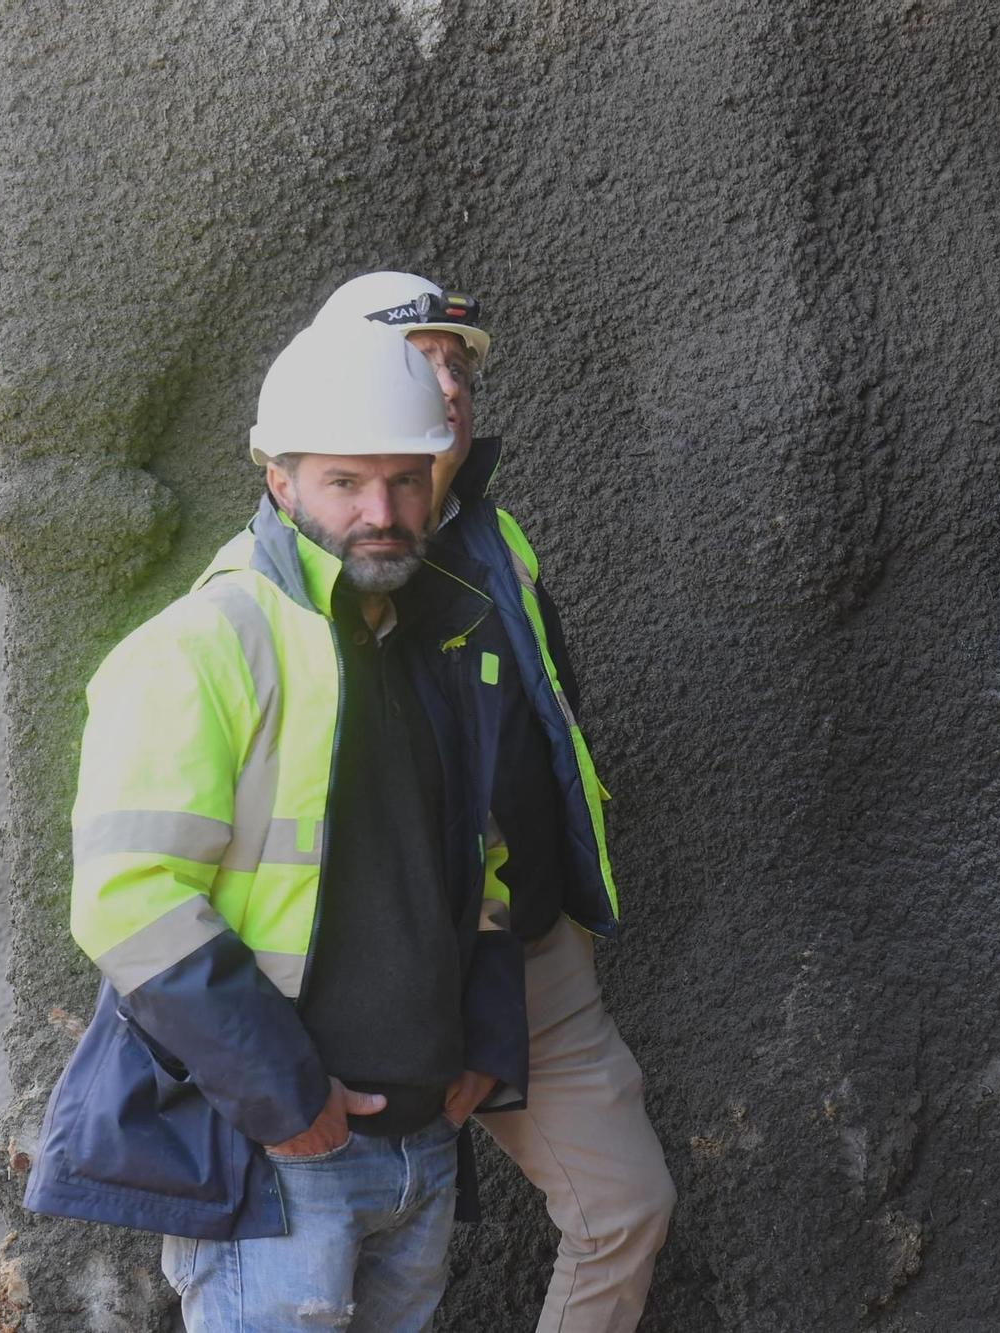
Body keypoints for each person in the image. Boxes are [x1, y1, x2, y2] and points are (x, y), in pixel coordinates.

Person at [23, 318, 531, 1331]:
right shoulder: (201, 647)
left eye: (404, 479)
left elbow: (483, 857)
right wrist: (287, 1103)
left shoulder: (443, 642)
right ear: (278, 477)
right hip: (284, 1159)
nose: (380, 512)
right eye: (346, 482)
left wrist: (485, 1034)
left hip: (423, 1146)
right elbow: (130, 899)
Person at [314, 271, 676, 1333]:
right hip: (373, 976)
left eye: (459, 363)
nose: (449, 383)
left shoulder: (489, 535)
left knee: (624, 1203)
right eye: (418, 359)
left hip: (528, 947)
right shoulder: (305, 574)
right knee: (333, 1281)